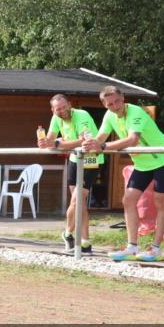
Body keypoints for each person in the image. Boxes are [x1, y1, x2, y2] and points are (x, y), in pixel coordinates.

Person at [83, 86, 164, 263]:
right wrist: (90, 144)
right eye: (110, 104)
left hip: (162, 158)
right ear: (105, 105)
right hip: (142, 163)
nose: (115, 106)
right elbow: (101, 136)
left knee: (159, 201)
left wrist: (101, 147)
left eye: (118, 101)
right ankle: (132, 247)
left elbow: (132, 139)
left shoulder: (136, 112)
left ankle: (156, 248)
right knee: (128, 200)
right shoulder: (109, 115)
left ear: (123, 97)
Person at [38, 94, 101, 255]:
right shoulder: (55, 118)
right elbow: (50, 140)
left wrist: (58, 143)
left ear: (70, 105)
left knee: (77, 199)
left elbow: (83, 141)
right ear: (53, 110)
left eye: (64, 107)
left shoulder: (82, 115)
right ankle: (85, 243)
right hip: (74, 159)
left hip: (91, 159)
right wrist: (45, 142)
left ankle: (67, 233)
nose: (61, 111)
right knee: (80, 203)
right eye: (58, 109)